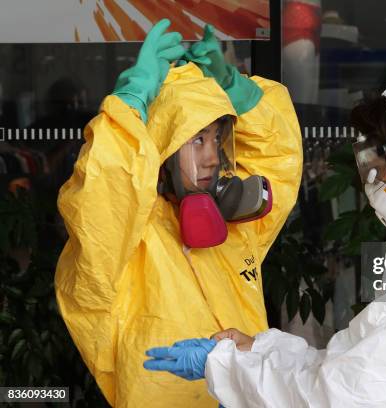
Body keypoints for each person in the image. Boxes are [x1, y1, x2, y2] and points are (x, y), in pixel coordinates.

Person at [145, 81, 386, 407]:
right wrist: (254, 349)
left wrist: (226, 365)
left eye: (379, 160)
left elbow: (342, 396)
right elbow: (347, 362)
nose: (370, 177)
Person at [54, 19, 302, 407]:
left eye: (218, 139)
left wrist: (241, 93)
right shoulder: (128, 243)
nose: (210, 157)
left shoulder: (232, 229)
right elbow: (103, 201)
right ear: (163, 147)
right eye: (197, 139)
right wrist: (130, 104)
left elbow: (278, 160)